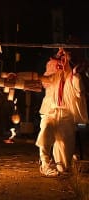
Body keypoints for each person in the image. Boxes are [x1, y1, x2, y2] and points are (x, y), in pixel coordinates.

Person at [35, 48, 88, 177]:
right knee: (46, 131)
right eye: (61, 59)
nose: (62, 63)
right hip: (50, 112)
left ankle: (65, 164)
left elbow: (79, 91)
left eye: (65, 60)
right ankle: (45, 164)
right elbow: (44, 79)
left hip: (66, 115)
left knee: (64, 162)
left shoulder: (73, 78)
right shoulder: (53, 75)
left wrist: (74, 74)